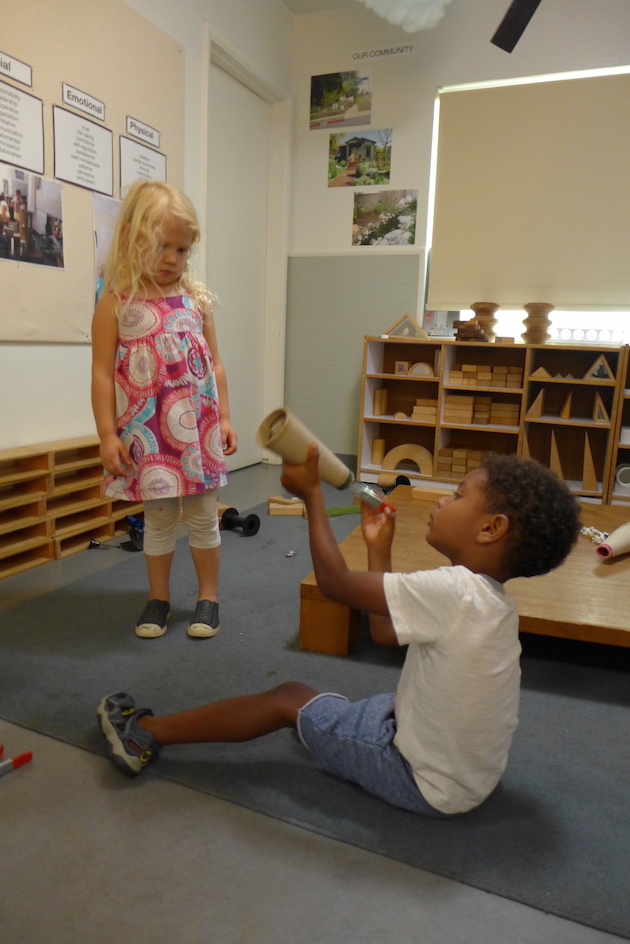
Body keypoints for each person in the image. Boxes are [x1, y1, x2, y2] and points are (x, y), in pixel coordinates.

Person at [96, 448, 580, 816]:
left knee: (288, 697)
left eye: (457, 495)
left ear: (491, 529)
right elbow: (385, 633)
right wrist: (378, 548)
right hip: (470, 777)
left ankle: (144, 734)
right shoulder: (492, 600)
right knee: (370, 702)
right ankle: (331, 726)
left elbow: (333, 584)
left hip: (421, 780)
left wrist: (312, 496)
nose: (441, 499)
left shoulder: (453, 591)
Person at [91, 180, 237, 640]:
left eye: (182, 249)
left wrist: (225, 417)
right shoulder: (116, 302)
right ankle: (159, 597)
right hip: (149, 433)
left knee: (203, 515)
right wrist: (107, 434)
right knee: (157, 519)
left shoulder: (197, 300)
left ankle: (208, 596)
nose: (172, 258)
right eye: (161, 246)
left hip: (198, 430)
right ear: (131, 237)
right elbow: (101, 373)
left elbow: (215, 363)